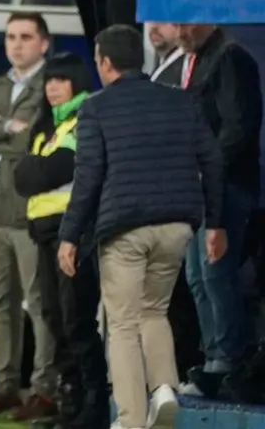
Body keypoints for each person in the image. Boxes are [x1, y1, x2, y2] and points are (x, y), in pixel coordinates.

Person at [57, 25, 225, 429]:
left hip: (124, 228)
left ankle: (131, 418)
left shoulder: (95, 108)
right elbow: (212, 160)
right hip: (177, 226)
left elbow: (88, 178)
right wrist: (216, 224)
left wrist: (69, 235)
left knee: (123, 323)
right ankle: (164, 389)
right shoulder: (180, 101)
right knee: (154, 310)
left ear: (105, 62)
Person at [0, 12, 57, 421]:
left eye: (25, 37)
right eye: (11, 37)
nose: (16, 44)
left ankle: (44, 389)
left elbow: (32, 140)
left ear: (44, 43)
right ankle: (4, 387)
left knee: (38, 303)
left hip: (30, 213)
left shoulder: (51, 84)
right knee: (1, 303)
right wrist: (7, 126)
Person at [13, 53, 108, 429]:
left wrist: (35, 170)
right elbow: (23, 178)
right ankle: (70, 403)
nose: (52, 87)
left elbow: (54, 170)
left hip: (73, 233)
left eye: (60, 80)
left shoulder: (84, 118)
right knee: (54, 318)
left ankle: (93, 406)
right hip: (44, 234)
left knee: (76, 320)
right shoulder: (47, 126)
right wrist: (36, 171)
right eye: (49, 80)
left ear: (76, 83)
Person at [177, 18, 262, 398]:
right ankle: (214, 358)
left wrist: (207, 169)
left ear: (208, 20)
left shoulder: (230, 57)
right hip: (202, 186)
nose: (181, 32)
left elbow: (239, 126)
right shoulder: (202, 59)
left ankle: (228, 361)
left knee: (215, 272)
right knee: (198, 275)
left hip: (227, 185)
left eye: (186, 23)